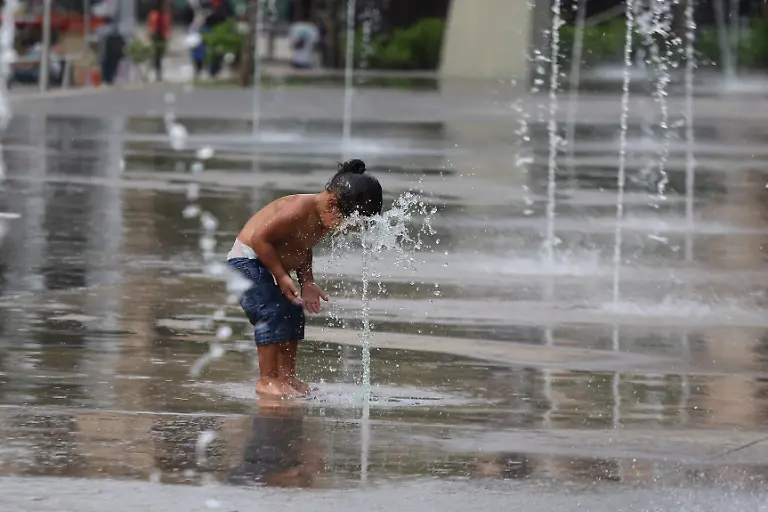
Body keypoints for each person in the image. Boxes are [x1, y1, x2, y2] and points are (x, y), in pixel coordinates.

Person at [227, 159, 383, 398]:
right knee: (271, 312)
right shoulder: (299, 207)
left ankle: (286, 376)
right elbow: (259, 239)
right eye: (348, 222)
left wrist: (307, 282)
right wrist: (281, 275)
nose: (346, 229)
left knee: (293, 312)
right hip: (246, 261)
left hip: (269, 266)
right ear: (332, 204)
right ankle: (267, 379)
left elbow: (302, 248)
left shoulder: (322, 219)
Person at [147, 1, 171, 82]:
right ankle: (156, 73)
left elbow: (166, 26)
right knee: (156, 56)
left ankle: (158, 73)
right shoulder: (155, 14)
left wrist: (167, 35)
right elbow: (151, 25)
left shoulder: (164, 15)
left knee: (159, 56)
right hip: (156, 36)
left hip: (161, 37)